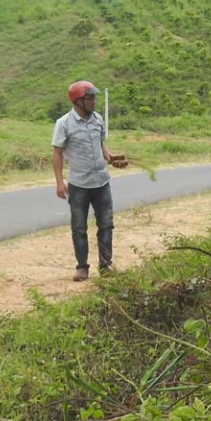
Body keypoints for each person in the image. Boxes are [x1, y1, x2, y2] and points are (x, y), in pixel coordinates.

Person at [52, 81, 129, 281]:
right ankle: (82, 268)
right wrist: (60, 183)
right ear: (78, 101)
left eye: (94, 97)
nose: (94, 101)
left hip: (102, 182)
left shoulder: (98, 120)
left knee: (106, 225)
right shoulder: (64, 123)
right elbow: (58, 154)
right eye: (90, 98)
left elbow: (101, 145)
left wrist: (111, 158)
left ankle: (105, 266)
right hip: (78, 185)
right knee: (79, 228)